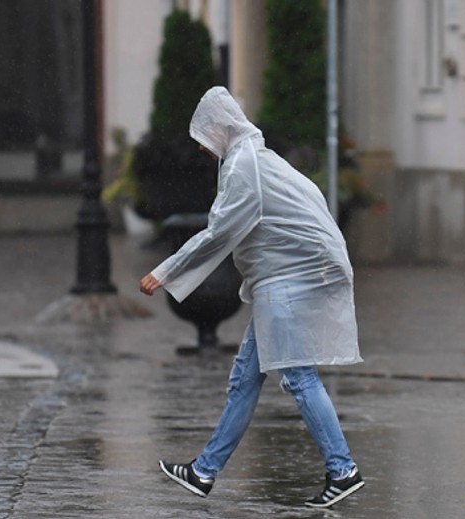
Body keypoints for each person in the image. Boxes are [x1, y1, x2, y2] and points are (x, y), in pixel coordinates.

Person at [140, 86, 365, 508]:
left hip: (289, 280)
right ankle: (204, 471)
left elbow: (221, 232)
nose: (204, 149)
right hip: (284, 279)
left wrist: (166, 270)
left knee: (298, 377)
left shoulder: (246, 165)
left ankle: (343, 469)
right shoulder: (253, 159)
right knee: (245, 379)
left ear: (220, 130)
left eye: (205, 137)